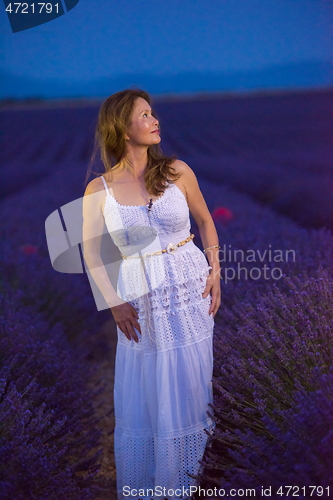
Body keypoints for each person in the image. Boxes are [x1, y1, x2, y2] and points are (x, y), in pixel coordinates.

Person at [82, 88, 221, 500]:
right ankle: (154, 487)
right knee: (148, 388)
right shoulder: (98, 190)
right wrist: (113, 303)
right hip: (141, 299)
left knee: (193, 387)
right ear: (123, 130)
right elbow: (91, 253)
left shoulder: (178, 171)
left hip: (190, 290)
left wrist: (216, 272)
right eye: (144, 115)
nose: (155, 120)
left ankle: (191, 482)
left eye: (152, 113)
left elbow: (206, 221)